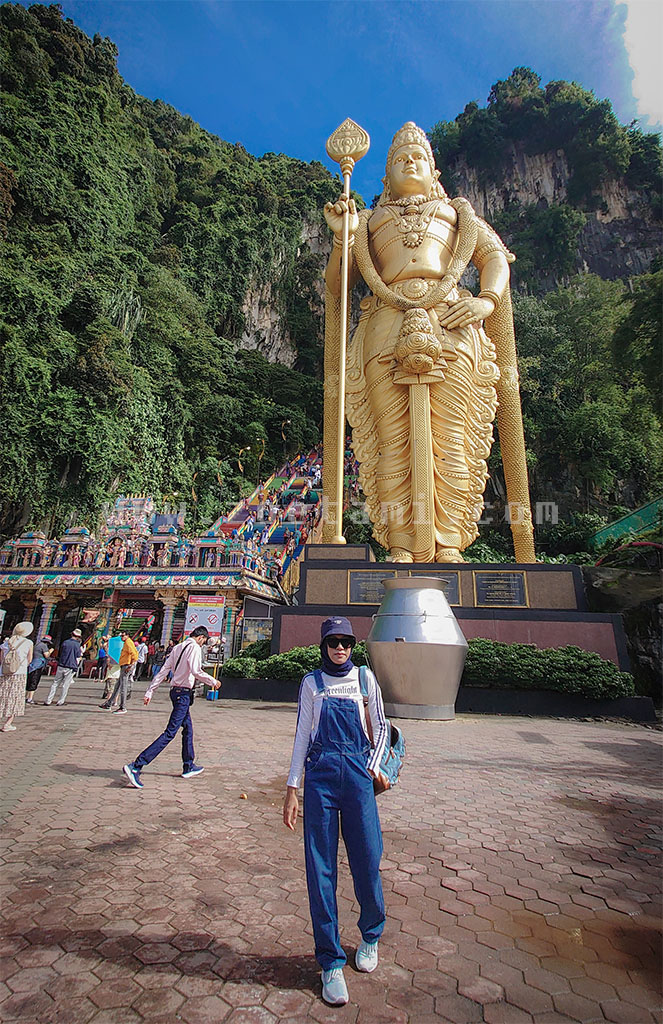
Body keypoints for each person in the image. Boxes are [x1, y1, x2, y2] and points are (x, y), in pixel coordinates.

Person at [322, 121, 534, 563]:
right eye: (400, 159)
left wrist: (487, 300)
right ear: (386, 177)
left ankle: (450, 542)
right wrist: (342, 239)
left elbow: (494, 258)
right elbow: (338, 285)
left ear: (433, 168)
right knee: (392, 439)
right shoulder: (368, 222)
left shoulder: (460, 214)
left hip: (452, 320)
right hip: (384, 326)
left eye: (418, 157)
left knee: (452, 436)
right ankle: (400, 541)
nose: (410, 163)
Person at [283, 617, 388, 1006]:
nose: (339, 648)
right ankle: (330, 961)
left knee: (367, 858)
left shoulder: (365, 680)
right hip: (322, 776)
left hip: (358, 775)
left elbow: (381, 724)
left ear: (353, 645)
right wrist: (292, 788)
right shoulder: (312, 684)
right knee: (321, 867)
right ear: (323, 645)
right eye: (333, 642)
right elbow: (300, 737)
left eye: (345, 642)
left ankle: (371, 933)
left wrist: (373, 768)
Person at [122, 626, 218, 789]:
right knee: (170, 732)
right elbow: (196, 671)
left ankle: (188, 765)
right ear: (201, 638)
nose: (202, 645)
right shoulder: (194, 647)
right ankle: (137, 765)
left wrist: (150, 691)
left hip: (176, 692)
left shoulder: (178, 647)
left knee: (188, 729)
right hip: (183, 694)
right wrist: (213, 682)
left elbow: (165, 670)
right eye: (203, 642)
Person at [0, 621, 34, 731]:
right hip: (19, 673)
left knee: (2, 695)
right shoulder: (28, 643)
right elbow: (29, 660)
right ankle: (8, 723)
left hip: (3, 672)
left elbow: (2, 659)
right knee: (15, 697)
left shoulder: (6, 642)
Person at [98, 631, 138, 715]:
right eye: (121, 636)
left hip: (127, 665)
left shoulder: (128, 643)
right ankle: (109, 703)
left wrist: (131, 665)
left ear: (127, 636)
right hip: (124, 665)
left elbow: (134, 654)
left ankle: (122, 707)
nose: (122, 637)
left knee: (123, 686)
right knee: (118, 685)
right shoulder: (126, 643)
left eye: (123, 636)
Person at [44, 628, 83, 706]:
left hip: (62, 664)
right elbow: (78, 656)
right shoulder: (77, 645)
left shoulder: (65, 642)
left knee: (55, 683)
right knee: (65, 685)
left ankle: (48, 700)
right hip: (71, 665)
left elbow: (61, 652)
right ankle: (61, 701)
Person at [25, 633, 53, 704]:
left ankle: (26, 697)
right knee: (34, 682)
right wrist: (50, 651)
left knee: (29, 681)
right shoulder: (44, 646)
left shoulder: (37, 645)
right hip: (37, 666)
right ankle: (30, 698)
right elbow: (46, 655)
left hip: (32, 665)